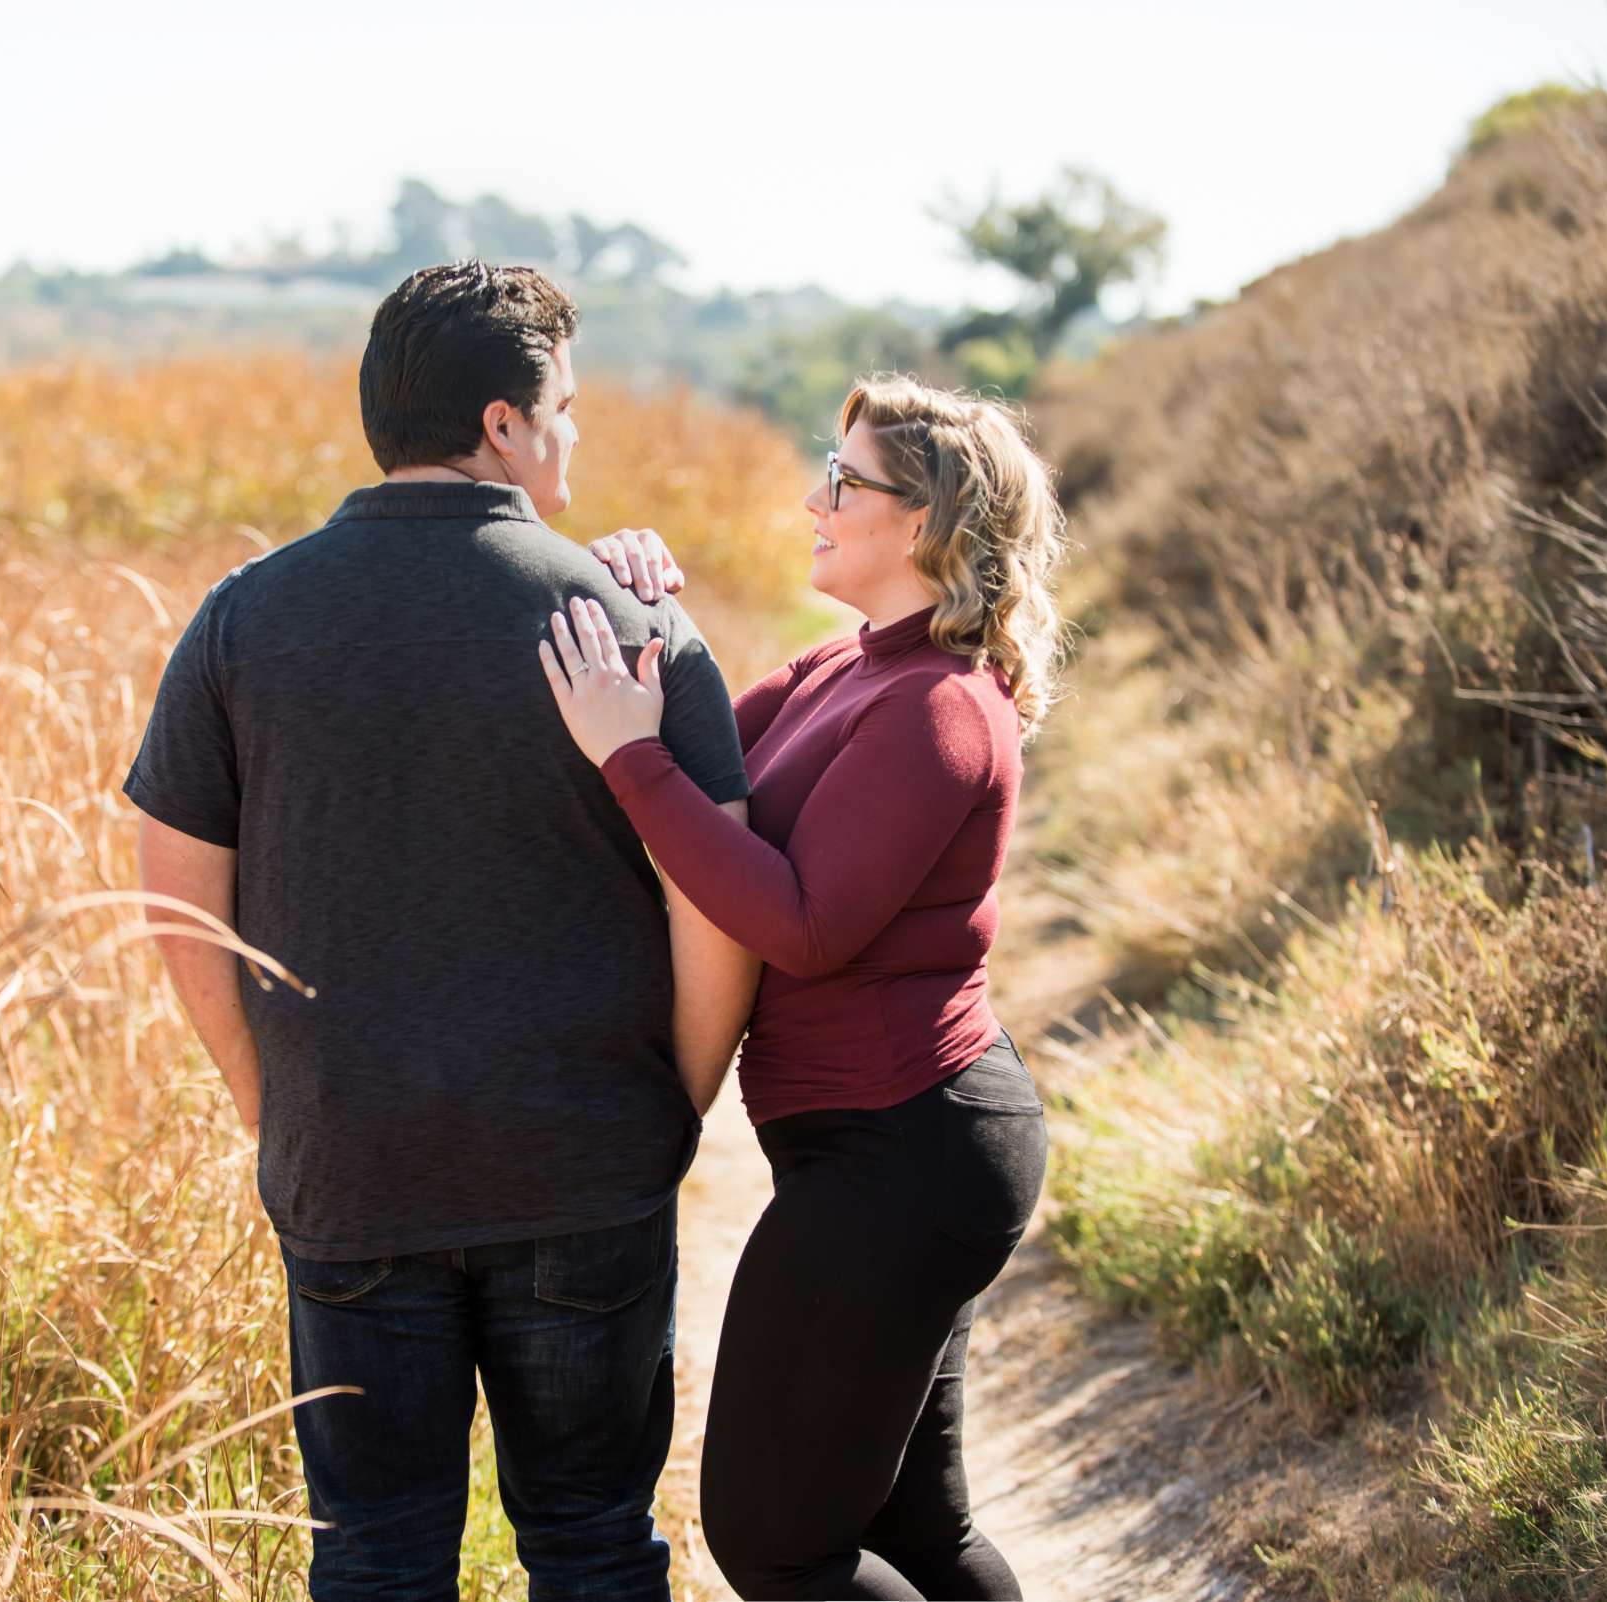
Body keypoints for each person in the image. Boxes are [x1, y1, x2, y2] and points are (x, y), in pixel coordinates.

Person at [123, 261, 762, 1602]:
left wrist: (280, 1103)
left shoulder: (245, 618)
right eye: (567, 407)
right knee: (592, 1542)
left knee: (375, 1557)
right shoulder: (635, 624)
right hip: (586, 1161)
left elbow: (179, 905)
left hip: (352, 1167)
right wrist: (673, 1105)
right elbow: (723, 903)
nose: (575, 434)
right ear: (503, 424)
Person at [541, 375, 1065, 1599]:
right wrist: (639, 601)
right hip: (899, 1155)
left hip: (907, 1159)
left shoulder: (940, 710)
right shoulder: (848, 670)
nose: (811, 499)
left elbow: (804, 923)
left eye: (843, 482)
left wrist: (626, 755)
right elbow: (696, 765)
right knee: (913, 1532)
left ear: (926, 521)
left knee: (778, 1546)